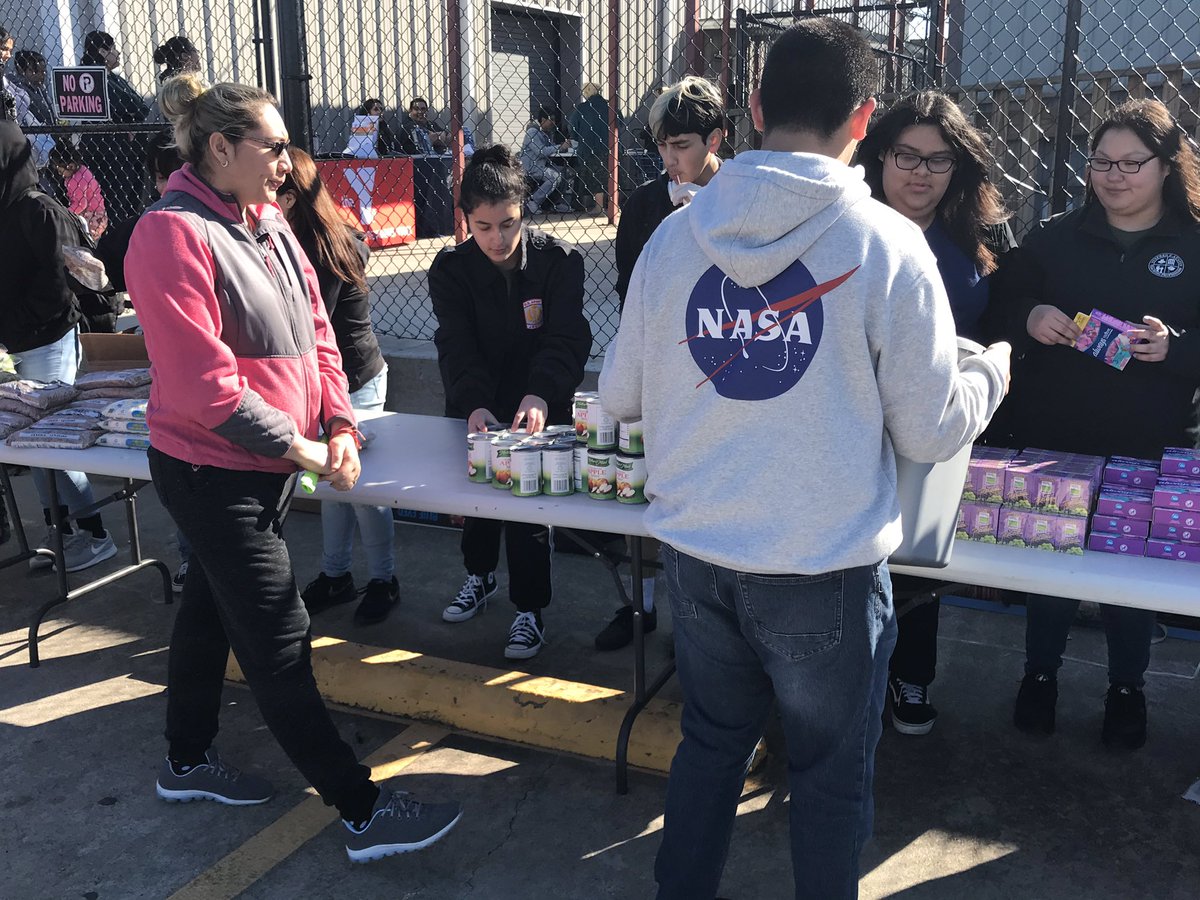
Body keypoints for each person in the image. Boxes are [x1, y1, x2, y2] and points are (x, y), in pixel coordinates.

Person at [598, 19, 1011, 898]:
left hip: (697, 555)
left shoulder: (677, 239)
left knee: (710, 745)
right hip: (822, 564)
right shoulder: (887, 247)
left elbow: (619, 398)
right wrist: (991, 374)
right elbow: (932, 431)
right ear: (863, 119)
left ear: (750, 109)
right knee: (828, 774)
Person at [123, 74, 460, 859]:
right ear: (219, 149)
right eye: (272, 147)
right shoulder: (169, 235)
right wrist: (305, 449)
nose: (287, 161)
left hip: (266, 465)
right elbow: (206, 389)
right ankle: (360, 809)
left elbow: (318, 334)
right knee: (277, 636)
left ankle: (185, 759)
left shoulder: (267, 220)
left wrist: (339, 420)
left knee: (208, 612)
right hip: (211, 470)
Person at [1000, 98, 1200, 751]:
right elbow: (1002, 298)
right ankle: (1039, 676)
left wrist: (1177, 347)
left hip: (1148, 446)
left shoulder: (1193, 244)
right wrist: (1030, 317)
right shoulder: (1057, 236)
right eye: (1101, 162)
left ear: (1167, 166)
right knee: (1051, 568)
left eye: (1130, 164)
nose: (1113, 176)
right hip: (1058, 437)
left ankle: (1126, 688)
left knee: (1127, 575)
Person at [855, 89, 1013, 735]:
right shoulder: (847, 221)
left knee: (921, 563)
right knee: (855, 560)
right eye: (905, 155)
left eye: (938, 159)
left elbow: (1002, 319)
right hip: (852, 422)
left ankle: (911, 677)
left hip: (940, 425)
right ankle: (850, 680)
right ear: (879, 155)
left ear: (959, 167)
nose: (920, 172)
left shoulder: (978, 235)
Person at [428, 144, 591, 659]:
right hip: (479, 409)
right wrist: (473, 402)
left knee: (527, 514)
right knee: (476, 504)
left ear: (524, 212)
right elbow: (455, 344)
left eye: (509, 223)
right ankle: (479, 577)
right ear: (466, 222)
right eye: (483, 227)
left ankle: (529, 608)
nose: (498, 238)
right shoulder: (451, 271)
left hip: (537, 408)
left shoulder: (558, 263)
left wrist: (541, 392)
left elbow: (566, 339)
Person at [594, 74, 726, 653]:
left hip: (724, 370)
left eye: (683, 146)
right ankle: (641, 606)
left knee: (710, 497)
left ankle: (706, 619)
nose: (672, 160)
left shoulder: (741, 198)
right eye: (663, 148)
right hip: (663, 374)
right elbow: (630, 295)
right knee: (648, 486)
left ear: (716, 138)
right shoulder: (647, 203)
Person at [278, 147, 399, 626]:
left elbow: (309, 331)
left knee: (361, 488)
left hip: (357, 381)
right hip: (329, 384)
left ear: (289, 198)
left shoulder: (326, 245)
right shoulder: (289, 237)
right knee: (332, 482)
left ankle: (384, 579)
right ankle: (337, 574)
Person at [0, 120, 117, 572]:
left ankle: (95, 534)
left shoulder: (39, 210)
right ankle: (60, 532)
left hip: (47, 339)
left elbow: (59, 285)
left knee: (53, 443)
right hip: (15, 342)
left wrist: (16, 326)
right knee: (28, 448)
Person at [79, 31, 149, 222]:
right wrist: (128, 114)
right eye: (113, 49)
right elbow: (131, 105)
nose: (118, 53)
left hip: (121, 151)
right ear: (102, 51)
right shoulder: (95, 78)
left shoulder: (112, 78)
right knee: (118, 205)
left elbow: (141, 107)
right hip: (112, 152)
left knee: (126, 203)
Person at [567, 83, 619, 213]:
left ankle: (598, 206)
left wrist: (577, 137)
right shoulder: (610, 107)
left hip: (589, 147)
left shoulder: (582, 108)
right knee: (611, 175)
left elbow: (572, 127)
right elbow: (621, 123)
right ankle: (613, 206)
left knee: (595, 177)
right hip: (612, 146)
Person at [49, 142, 108, 239]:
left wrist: (65, 214)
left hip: (92, 216)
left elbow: (81, 204)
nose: (60, 174)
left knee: (83, 240)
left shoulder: (76, 180)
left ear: (70, 166)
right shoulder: (82, 170)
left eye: (60, 171)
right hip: (99, 213)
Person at [520, 106, 573, 215]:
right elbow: (541, 151)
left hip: (543, 165)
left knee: (565, 172)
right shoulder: (532, 132)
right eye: (551, 120)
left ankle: (555, 203)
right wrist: (560, 147)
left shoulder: (546, 133)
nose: (553, 123)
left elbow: (550, 148)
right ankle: (533, 201)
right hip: (531, 167)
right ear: (543, 120)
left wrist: (562, 147)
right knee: (554, 177)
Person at [11, 50, 54, 125]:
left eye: (43, 71)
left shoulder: (40, 89)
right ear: (21, 70)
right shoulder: (18, 90)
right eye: (35, 71)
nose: (41, 75)